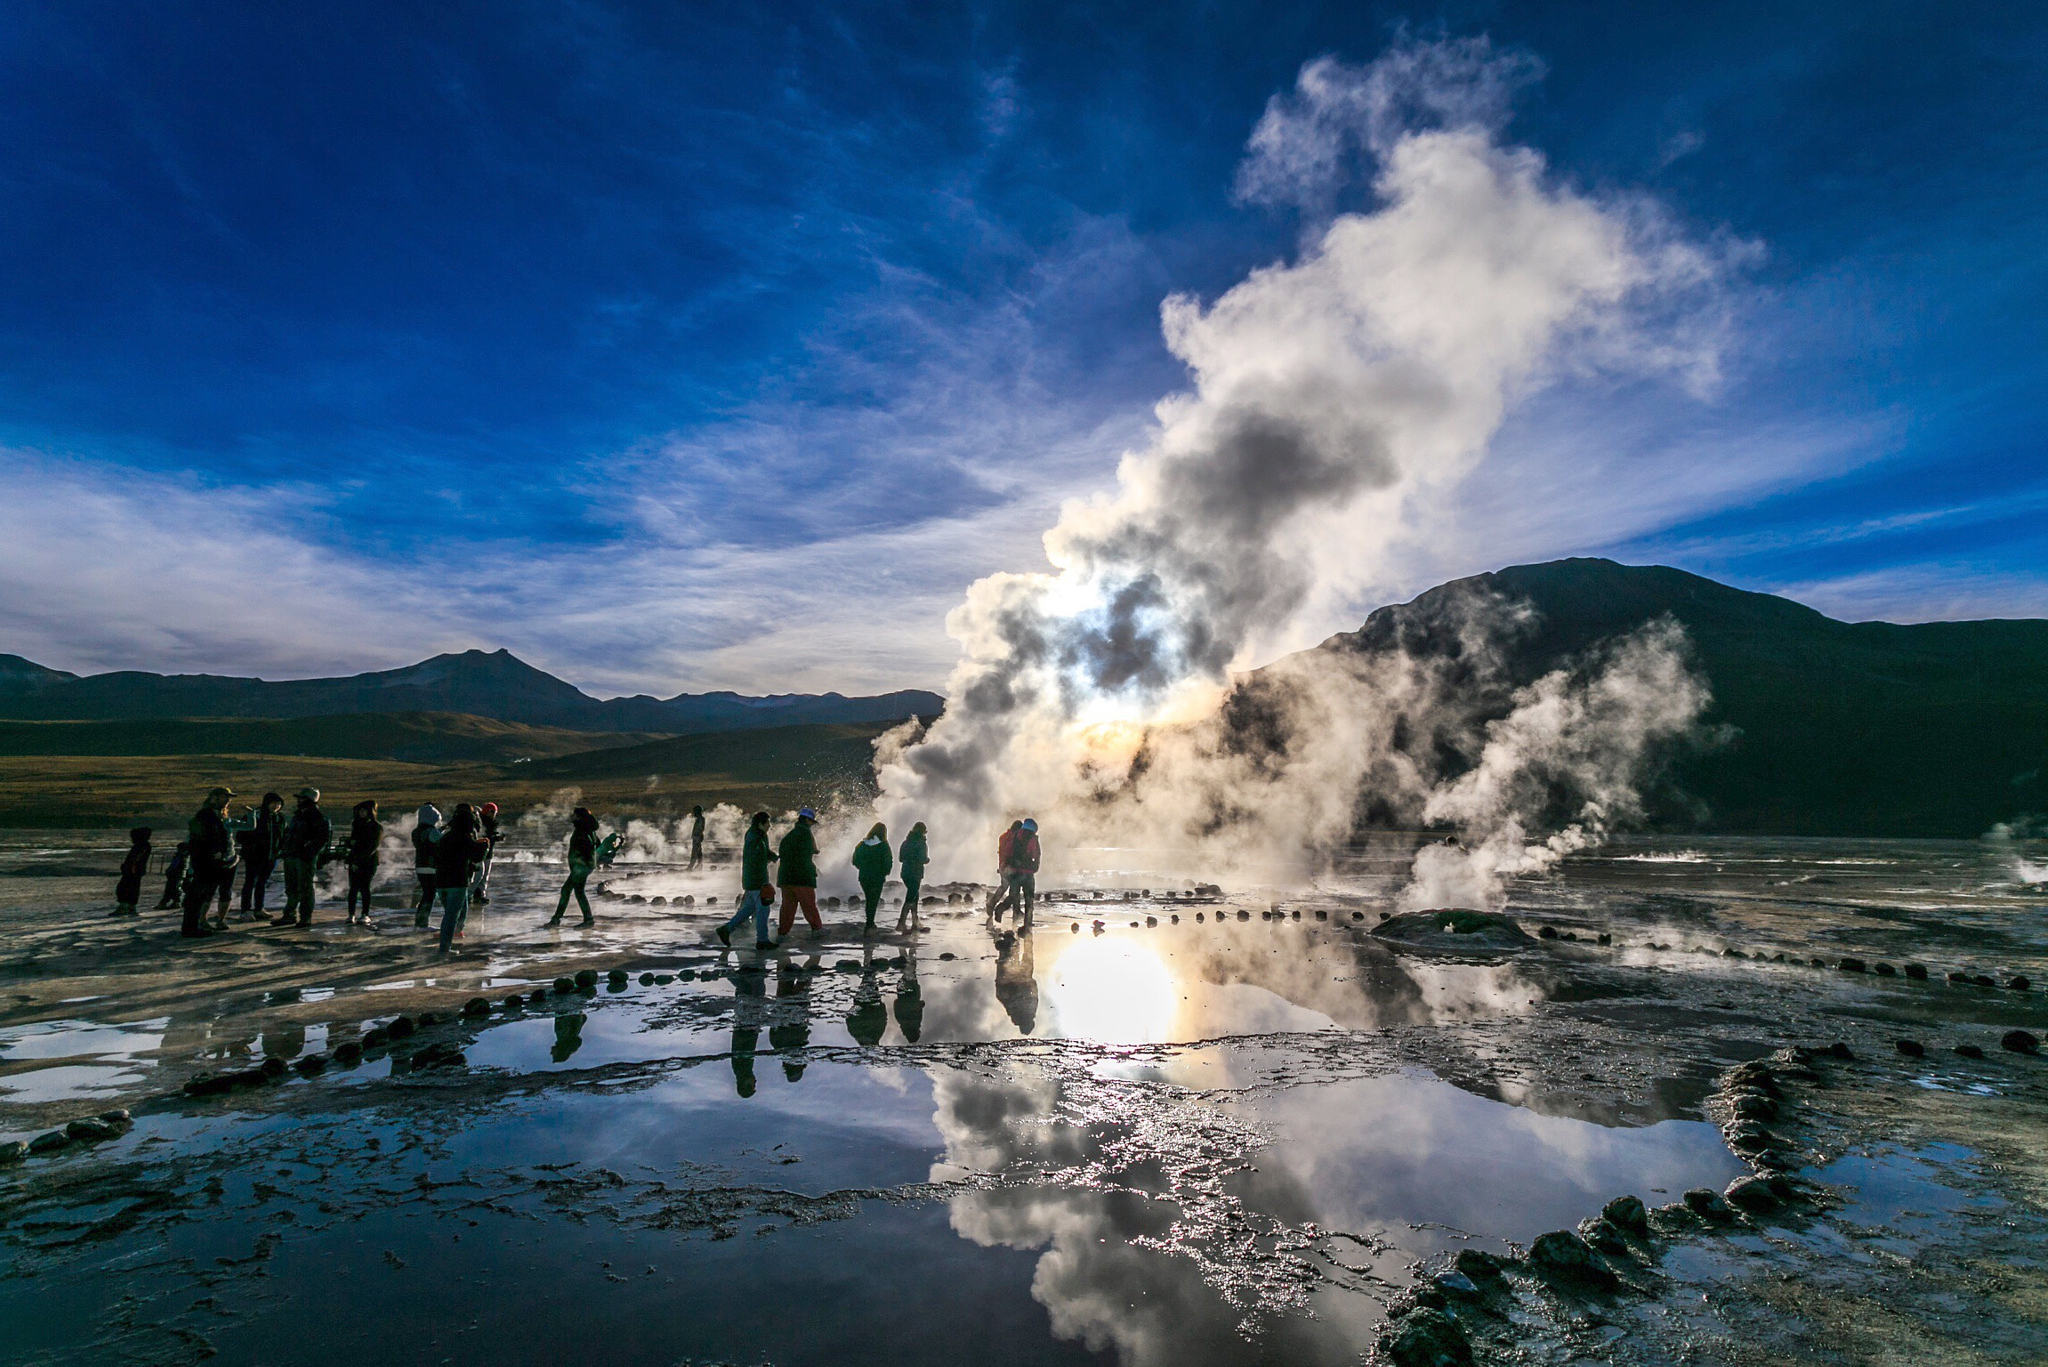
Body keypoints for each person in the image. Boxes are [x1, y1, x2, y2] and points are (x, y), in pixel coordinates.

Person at [716, 810, 778, 949]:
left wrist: (773, 856)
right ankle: (762, 940)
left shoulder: (759, 835)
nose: (770, 825)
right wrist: (763, 881)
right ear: (761, 823)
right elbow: (755, 859)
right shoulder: (754, 838)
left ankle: (726, 929)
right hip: (757, 880)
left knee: (748, 909)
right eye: (768, 822)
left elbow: (764, 853)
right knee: (763, 910)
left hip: (753, 879)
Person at [434, 802, 490, 952]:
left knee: (448, 915)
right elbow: (476, 857)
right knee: (451, 916)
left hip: (440, 882)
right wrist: (485, 846)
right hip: (457, 882)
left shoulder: (445, 837)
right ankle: (444, 948)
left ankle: (445, 945)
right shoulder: (465, 838)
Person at [182, 787, 237, 938]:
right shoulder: (205, 816)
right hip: (204, 861)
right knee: (197, 894)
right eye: (224, 797)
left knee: (201, 894)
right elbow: (201, 837)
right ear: (214, 798)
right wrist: (213, 852)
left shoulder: (217, 815)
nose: (227, 801)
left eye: (228, 798)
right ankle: (190, 929)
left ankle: (192, 927)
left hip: (210, 861)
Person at [278, 787, 331, 928]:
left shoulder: (317, 817)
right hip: (291, 855)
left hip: (304, 858)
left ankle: (305, 917)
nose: (298, 800)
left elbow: (321, 839)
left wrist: (308, 852)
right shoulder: (298, 815)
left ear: (310, 800)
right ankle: (289, 915)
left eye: (301, 798)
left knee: (305, 889)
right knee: (291, 888)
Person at [776, 808, 822, 938]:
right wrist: (812, 870)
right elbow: (806, 855)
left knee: (787, 907)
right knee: (809, 905)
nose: (812, 824)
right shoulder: (806, 834)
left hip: (785, 877)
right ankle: (817, 929)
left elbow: (785, 854)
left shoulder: (790, 835)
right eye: (812, 822)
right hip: (802, 877)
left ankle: (783, 933)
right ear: (807, 820)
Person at [549, 806, 600, 927]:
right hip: (583, 866)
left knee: (567, 891)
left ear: (579, 817)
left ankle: (558, 919)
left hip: (581, 867)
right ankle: (586, 919)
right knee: (576, 891)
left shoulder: (582, 831)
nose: (572, 816)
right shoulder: (588, 830)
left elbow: (588, 848)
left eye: (574, 814)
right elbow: (598, 844)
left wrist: (581, 864)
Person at [240, 792, 285, 920]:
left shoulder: (279, 818)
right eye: (273, 803)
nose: (276, 806)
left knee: (262, 882)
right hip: (254, 856)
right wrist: (252, 845)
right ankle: (246, 910)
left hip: (271, 856)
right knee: (250, 882)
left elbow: (283, 835)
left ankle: (259, 909)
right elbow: (241, 835)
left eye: (279, 804)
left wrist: (280, 850)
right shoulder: (255, 816)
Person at [995, 817, 1041, 930]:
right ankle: (1027, 925)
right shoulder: (1033, 839)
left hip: (1015, 872)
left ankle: (1001, 908)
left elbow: (1007, 852)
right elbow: (1036, 855)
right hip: (1028, 873)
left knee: (1013, 896)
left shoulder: (1014, 836)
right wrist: (1035, 867)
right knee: (1029, 900)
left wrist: (1004, 866)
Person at [851, 822, 892, 935]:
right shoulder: (884, 845)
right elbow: (888, 862)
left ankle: (870, 923)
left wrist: (862, 868)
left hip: (864, 876)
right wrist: (885, 872)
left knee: (869, 898)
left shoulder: (862, 844)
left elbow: (854, 860)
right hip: (877, 877)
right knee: (873, 901)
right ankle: (870, 924)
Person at [345, 799, 381, 925]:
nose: (361, 813)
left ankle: (365, 914)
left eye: (364, 811)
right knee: (353, 888)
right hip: (355, 860)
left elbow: (372, 847)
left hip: (368, 862)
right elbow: (352, 842)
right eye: (360, 811)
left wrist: (357, 859)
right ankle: (351, 914)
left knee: (365, 887)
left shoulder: (376, 827)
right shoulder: (356, 824)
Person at [895, 822, 929, 934]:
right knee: (911, 897)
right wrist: (927, 860)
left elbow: (900, 858)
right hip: (916, 873)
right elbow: (922, 859)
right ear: (923, 831)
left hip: (905, 872)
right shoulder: (921, 843)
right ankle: (901, 923)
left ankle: (915, 922)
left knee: (914, 896)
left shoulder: (905, 842)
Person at [411, 804, 441, 927]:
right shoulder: (432, 832)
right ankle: (422, 921)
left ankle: (420, 920)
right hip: (431, 867)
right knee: (430, 895)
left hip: (420, 866)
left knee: (426, 893)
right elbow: (440, 843)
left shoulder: (416, 832)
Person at [112, 827, 151, 917]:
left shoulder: (141, 846)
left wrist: (131, 867)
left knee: (124, 888)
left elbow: (135, 858)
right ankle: (130, 907)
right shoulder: (143, 845)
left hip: (132, 871)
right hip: (135, 871)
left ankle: (125, 907)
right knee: (132, 888)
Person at [473, 801, 501, 904]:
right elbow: (484, 836)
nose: (493, 814)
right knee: (478, 875)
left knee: (485, 876)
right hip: (480, 852)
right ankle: (472, 893)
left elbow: (490, 836)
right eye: (491, 811)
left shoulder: (492, 823)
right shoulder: (480, 822)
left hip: (488, 852)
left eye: (495, 812)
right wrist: (494, 837)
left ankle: (480, 894)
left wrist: (496, 838)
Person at [157, 841, 190, 909]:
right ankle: (175, 902)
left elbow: (174, 866)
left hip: (175, 875)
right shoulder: (186, 857)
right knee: (175, 888)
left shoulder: (180, 856)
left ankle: (171, 902)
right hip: (180, 875)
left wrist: (169, 871)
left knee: (171, 888)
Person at [688, 804, 706, 870]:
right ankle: (699, 865)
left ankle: (691, 867)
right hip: (697, 837)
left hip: (697, 837)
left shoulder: (700, 819)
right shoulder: (700, 819)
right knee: (699, 852)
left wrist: (697, 836)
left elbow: (700, 829)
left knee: (695, 852)